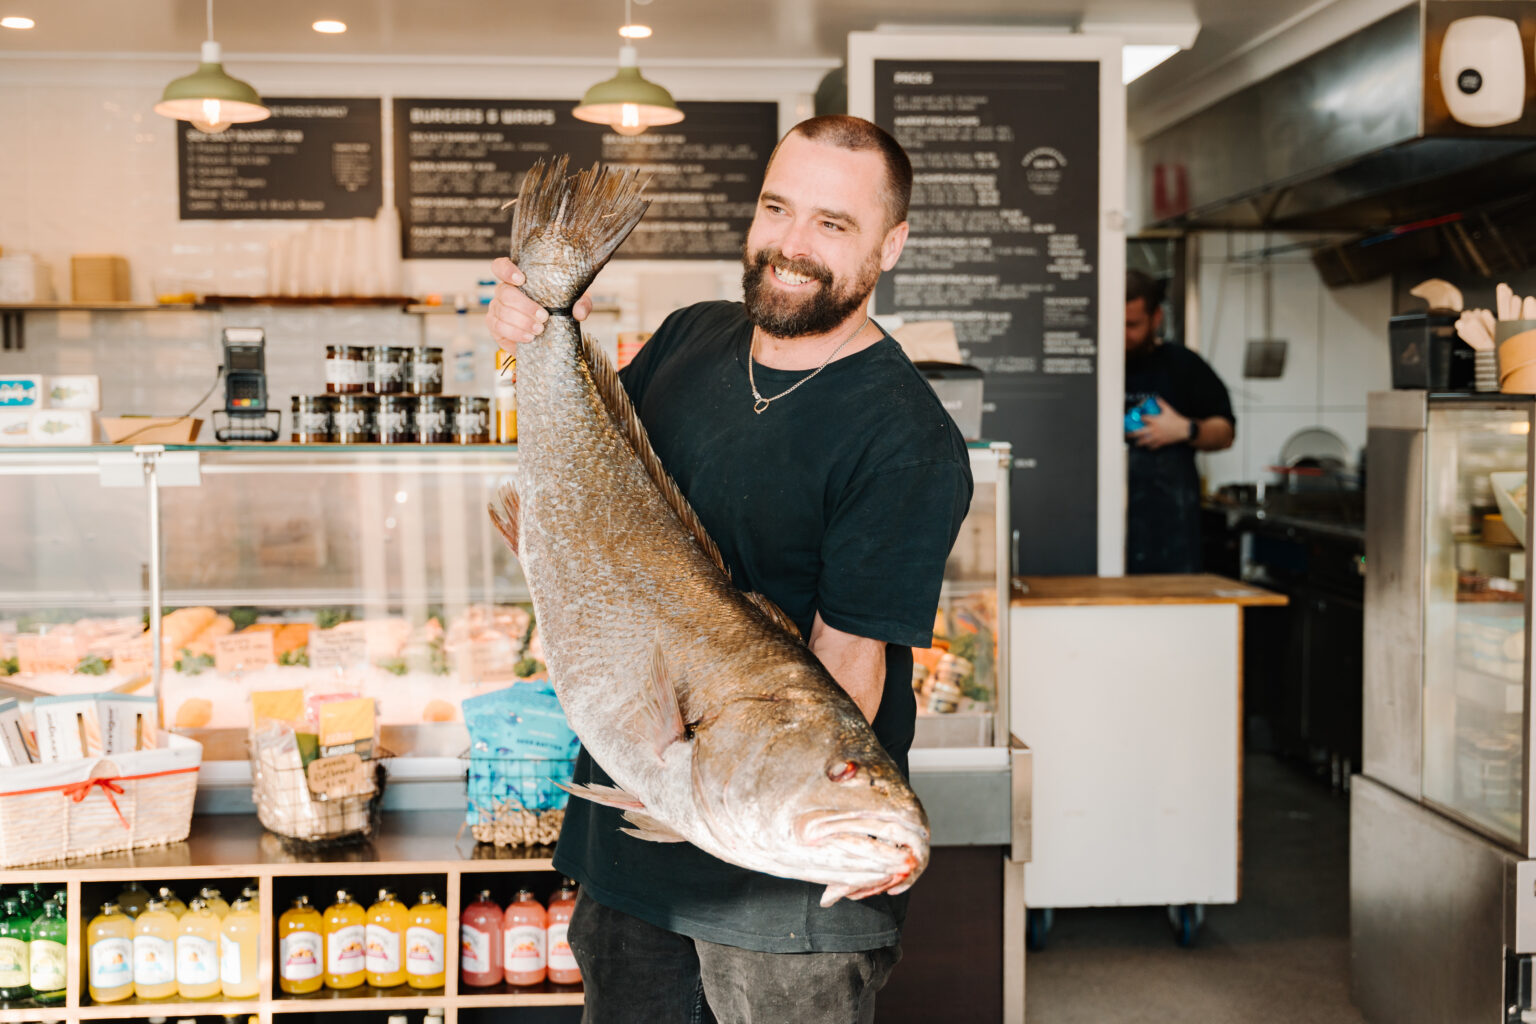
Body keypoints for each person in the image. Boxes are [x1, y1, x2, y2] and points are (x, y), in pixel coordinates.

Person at [485, 115, 973, 1024]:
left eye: (833, 223)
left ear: (891, 245)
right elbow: (581, 489)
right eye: (777, 208)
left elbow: (847, 682)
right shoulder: (690, 338)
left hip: (779, 893)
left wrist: (813, 814)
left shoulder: (906, 440)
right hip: (627, 840)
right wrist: (539, 332)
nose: (791, 245)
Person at [1124, 268, 1236, 574]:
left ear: (1156, 318)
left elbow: (1225, 432)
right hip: (1103, 532)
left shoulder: (1183, 366)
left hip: (1169, 533)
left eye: (1132, 325)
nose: (1123, 335)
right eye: (1115, 324)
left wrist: (1186, 429)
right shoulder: (1093, 367)